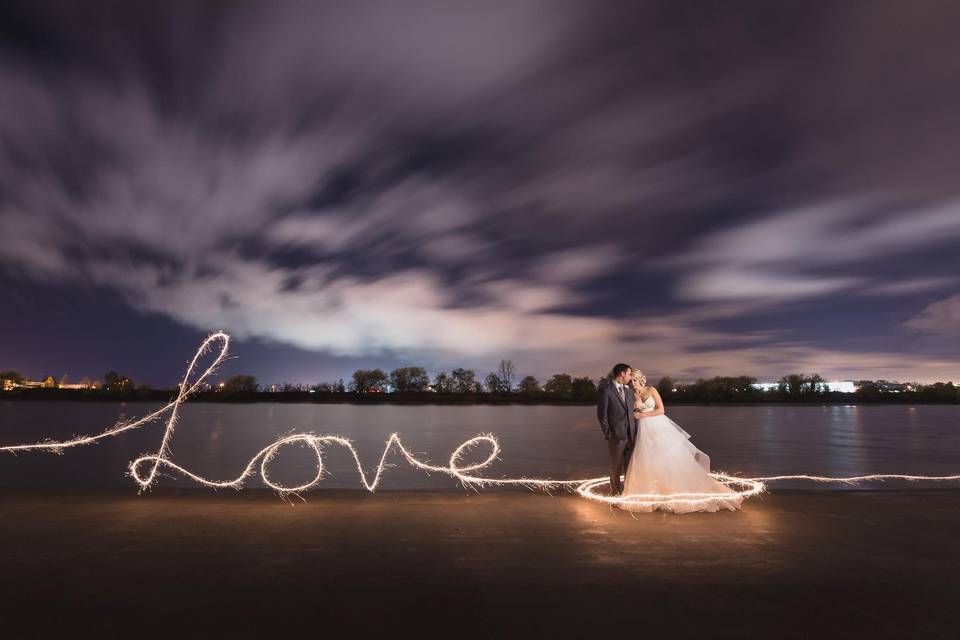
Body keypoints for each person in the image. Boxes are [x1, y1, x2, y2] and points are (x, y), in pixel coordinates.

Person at [621, 370, 743, 514]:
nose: (633, 383)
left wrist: (642, 414)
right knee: (649, 460)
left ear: (641, 380)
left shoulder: (651, 390)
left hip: (658, 426)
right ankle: (656, 494)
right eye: (631, 381)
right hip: (644, 430)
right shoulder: (630, 394)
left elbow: (661, 410)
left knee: (669, 457)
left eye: (635, 380)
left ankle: (678, 490)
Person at [596, 363, 638, 496]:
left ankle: (627, 492)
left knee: (629, 467)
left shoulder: (629, 391)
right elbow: (602, 415)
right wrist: (608, 433)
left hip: (631, 435)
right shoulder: (606, 390)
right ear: (622, 374)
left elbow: (632, 412)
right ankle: (615, 494)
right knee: (615, 467)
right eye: (629, 373)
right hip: (616, 436)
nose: (631, 377)